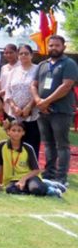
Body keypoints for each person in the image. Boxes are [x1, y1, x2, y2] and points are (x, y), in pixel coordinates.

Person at [31, 35, 78, 186]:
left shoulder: (68, 64)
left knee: (62, 145)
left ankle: (61, 177)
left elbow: (66, 86)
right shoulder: (42, 64)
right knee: (48, 144)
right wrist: (38, 101)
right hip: (43, 112)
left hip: (60, 111)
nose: (53, 48)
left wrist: (45, 101)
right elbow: (33, 84)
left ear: (63, 47)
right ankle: (49, 174)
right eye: (51, 45)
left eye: (57, 45)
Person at [0, 121, 64, 197]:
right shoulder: (1, 145)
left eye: (19, 131)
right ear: (8, 132)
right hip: (13, 179)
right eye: (13, 130)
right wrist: (0, 182)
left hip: (29, 177)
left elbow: (36, 170)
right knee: (10, 190)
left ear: (23, 133)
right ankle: (43, 184)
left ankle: (51, 188)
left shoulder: (27, 148)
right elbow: (1, 164)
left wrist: (23, 179)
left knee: (36, 190)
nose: (16, 133)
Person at [5, 45, 40, 150]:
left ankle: (32, 166)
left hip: (32, 114)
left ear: (32, 55)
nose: (23, 55)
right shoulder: (13, 71)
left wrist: (29, 107)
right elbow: (8, 91)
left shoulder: (38, 70)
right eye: (21, 53)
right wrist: (13, 107)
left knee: (31, 145)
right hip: (15, 114)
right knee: (14, 145)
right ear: (18, 55)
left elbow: (40, 90)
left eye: (26, 53)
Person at [0, 44, 19, 114]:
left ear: (16, 53)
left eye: (11, 52)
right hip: (3, 99)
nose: (8, 55)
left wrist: (3, 92)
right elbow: (0, 83)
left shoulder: (21, 66)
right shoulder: (4, 68)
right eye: (6, 53)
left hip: (15, 99)